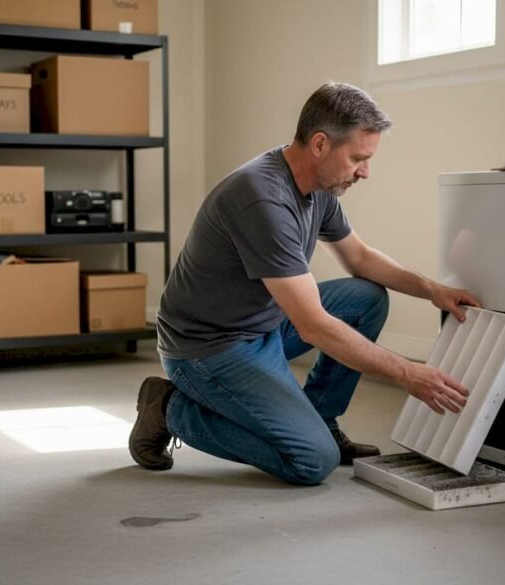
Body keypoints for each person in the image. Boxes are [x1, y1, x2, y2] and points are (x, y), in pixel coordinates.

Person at [129, 81, 481, 486]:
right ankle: (169, 408)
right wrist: (408, 374)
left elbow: (359, 258)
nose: (365, 171)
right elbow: (312, 324)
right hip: (208, 349)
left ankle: (320, 419)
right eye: (358, 158)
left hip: (262, 325)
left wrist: (433, 290)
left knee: (364, 298)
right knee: (312, 460)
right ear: (319, 145)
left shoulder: (320, 186)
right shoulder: (262, 199)